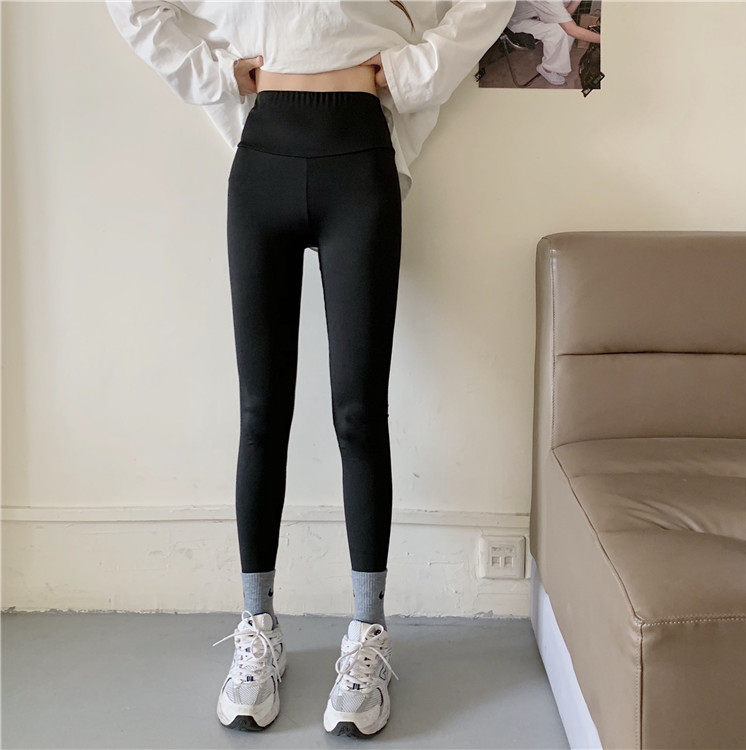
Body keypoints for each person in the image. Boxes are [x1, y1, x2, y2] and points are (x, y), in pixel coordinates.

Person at [106, 0, 515, 737]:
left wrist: (414, 71)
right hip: (262, 156)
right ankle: (257, 629)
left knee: (358, 412)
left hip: (358, 158)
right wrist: (212, 75)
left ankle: (367, 634)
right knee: (261, 412)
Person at [508, 1, 601, 85]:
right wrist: (605, 39)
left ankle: (559, 65)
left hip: (538, 13)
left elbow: (566, 14)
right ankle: (546, 69)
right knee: (559, 30)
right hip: (518, 20)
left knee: (567, 25)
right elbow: (571, 30)